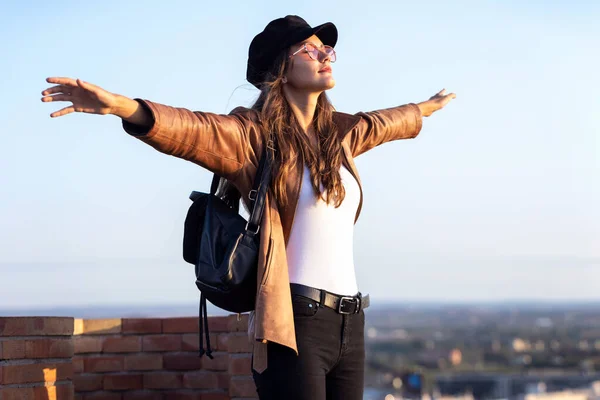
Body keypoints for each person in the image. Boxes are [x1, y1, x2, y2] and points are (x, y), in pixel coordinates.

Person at [41, 15, 455, 400]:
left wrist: (423, 109)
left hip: (351, 320)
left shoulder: (340, 135)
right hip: (294, 322)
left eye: (328, 49)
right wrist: (122, 106)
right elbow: (191, 129)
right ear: (280, 69)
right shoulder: (251, 138)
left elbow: (383, 122)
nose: (326, 55)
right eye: (310, 50)